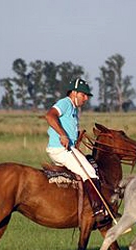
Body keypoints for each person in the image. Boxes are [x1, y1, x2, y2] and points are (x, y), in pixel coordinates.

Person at [45, 78, 109, 223]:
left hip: (68, 148)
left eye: (87, 96)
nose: (86, 98)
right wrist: (62, 134)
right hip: (60, 149)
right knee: (90, 172)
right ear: (74, 93)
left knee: (92, 165)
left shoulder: (73, 109)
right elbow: (49, 115)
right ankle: (98, 210)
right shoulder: (66, 103)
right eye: (83, 95)